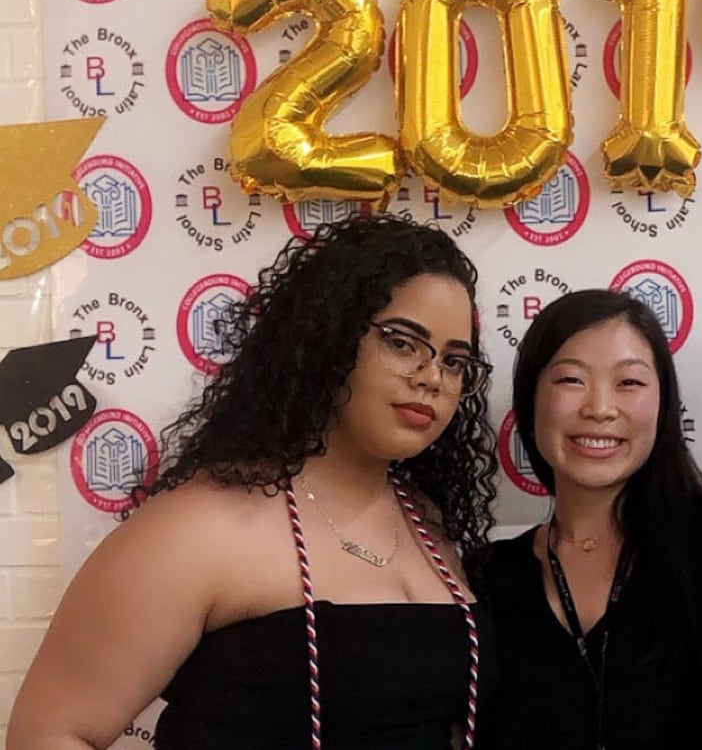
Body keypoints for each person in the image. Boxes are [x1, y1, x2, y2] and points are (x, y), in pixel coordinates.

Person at [9, 215, 498, 750]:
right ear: (327, 339)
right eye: (402, 343)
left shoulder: (429, 524)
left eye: (455, 361)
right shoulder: (198, 527)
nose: (431, 377)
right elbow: (49, 733)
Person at [479, 290, 702, 750]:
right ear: (530, 399)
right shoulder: (483, 577)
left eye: (629, 383)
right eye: (571, 380)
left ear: (663, 405)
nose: (600, 408)